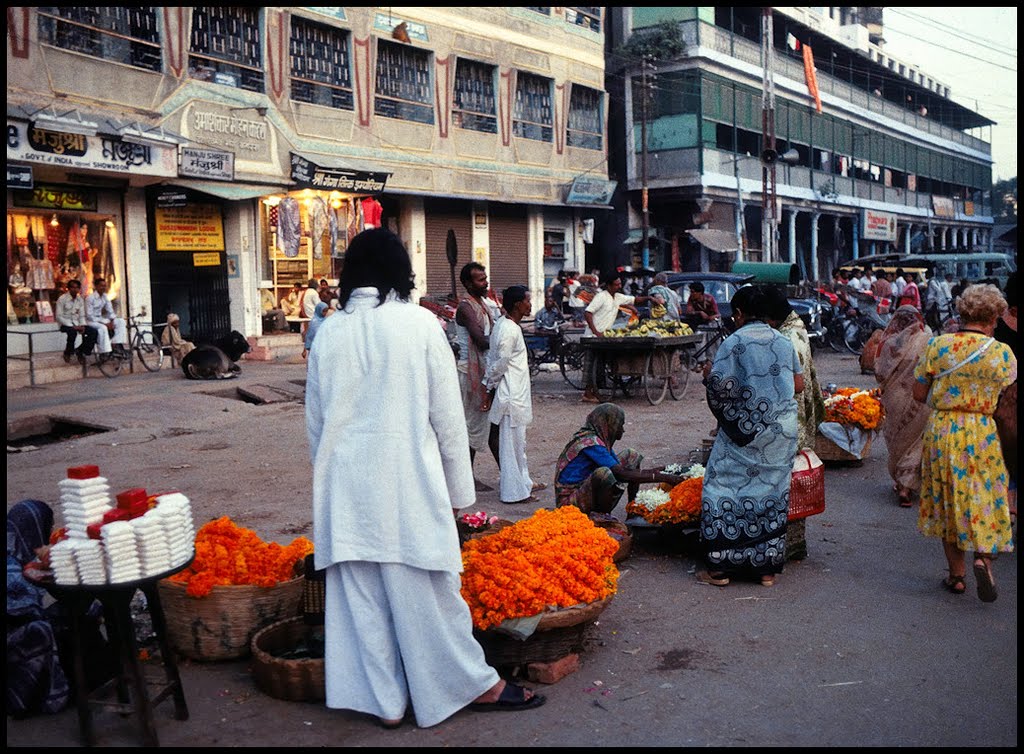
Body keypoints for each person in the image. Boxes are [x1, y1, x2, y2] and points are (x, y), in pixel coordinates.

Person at [304, 228, 545, 729]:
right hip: (407, 484)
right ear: (400, 272)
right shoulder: (418, 325)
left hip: (344, 488)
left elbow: (315, 427)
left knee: (360, 601)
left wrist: (329, 483)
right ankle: (472, 686)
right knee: (429, 596)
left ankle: (384, 702)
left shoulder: (329, 332)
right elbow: (448, 423)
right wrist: (459, 497)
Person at [912, 284, 1016, 602]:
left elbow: (918, 393)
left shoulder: (939, 346)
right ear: (994, 316)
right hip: (984, 431)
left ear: (962, 312)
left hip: (943, 430)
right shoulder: (1002, 354)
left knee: (947, 499)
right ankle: (983, 557)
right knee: (985, 495)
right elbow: (1009, 400)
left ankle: (956, 576)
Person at [697, 285, 804, 588]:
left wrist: (712, 381)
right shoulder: (784, 342)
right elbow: (798, 386)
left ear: (740, 314)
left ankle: (720, 569)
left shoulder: (733, 342)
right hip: (781, 432)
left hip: (743, 432)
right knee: (772, 493)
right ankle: (765, 570)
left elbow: (719, 389)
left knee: (721, 488)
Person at [765, 286, 825, 561]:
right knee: (796, 481)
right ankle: (795, 542)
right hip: (802, 415)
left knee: (787, 481)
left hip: (792, 418)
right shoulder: (798, 329)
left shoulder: (785, 339)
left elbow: (790, 385)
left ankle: (787, 543)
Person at [554, 402, 682, 515]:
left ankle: (633, 509)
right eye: (620, 425)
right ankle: (603, 517)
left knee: (631, 456)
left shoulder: (599, 439)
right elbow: (620, 473)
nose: (622, 430)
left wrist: (661, 471)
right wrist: (662, 477)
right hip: (570, 501)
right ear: (609, 424)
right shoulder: (590, 443)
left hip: (585, 489)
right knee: (604, 474)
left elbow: (623, 469)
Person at [482, 285, 540, 506]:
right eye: (528, 300)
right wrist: (488, 388)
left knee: (518, 444)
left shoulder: (508, 326)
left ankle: (523, 483)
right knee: (511, 446)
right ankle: (515, 492)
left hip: (516, 392)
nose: (530, 304)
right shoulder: (508, 329)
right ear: (517, 304)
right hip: (511, 394)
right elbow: (499, 364)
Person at [873, 306, 932, 508]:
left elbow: (878, 372)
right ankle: (907, 485)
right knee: (916, 441)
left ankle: (902, 483)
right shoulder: (926, 339)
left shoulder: (889, 343)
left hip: (894, 398)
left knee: (896, 438)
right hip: (920, 397)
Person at [453, 262, 503, 488]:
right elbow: (481, 340)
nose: (486, 283)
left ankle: (512, 476)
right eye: (480, 280)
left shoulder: (483, 303)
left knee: (493, 425)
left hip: (483, 373)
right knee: (472, 426)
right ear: (467, 283)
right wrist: (505, 339)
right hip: (469, 375)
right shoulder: (465, 307)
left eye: (485, 278)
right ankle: (466, 478)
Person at [581, 270, 654, 403]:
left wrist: (649, 298)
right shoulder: (601, 297)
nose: (619, 286)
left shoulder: (618, 297)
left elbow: (635, 299)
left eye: (619, 284)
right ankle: (587, 393)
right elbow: (588, 313)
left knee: (601, 364)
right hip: (593, 337)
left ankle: (596, 390)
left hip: (604, 337)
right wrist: (596, 331)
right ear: (609, 285)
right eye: (616, 284)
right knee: (591, 365)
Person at [55, 279, 97, 364]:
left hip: (77, 323)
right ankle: (68, 352)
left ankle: (81, 351)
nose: (75, 290)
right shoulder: (62, 299)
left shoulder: (80, 300)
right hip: (65, 323)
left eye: (77, 288)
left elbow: (81, 315)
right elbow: (59, 316)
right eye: (73, 287)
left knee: (93, 332)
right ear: (69, 288)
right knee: (72, 333)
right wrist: (71, 326)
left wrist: (82, 325)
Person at [84, 276, 128, 356]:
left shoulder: (105, 297)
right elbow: (89, 315)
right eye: (101, 286)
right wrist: (105, 323)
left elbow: (110, 310)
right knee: (103, 328)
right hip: (91, 321)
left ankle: (116, 343)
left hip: (100, 319)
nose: (103, 288)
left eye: (104, 286)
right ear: (96, 286)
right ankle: (104, 351)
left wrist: (112, 320)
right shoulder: (90, 298)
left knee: (120, 321)